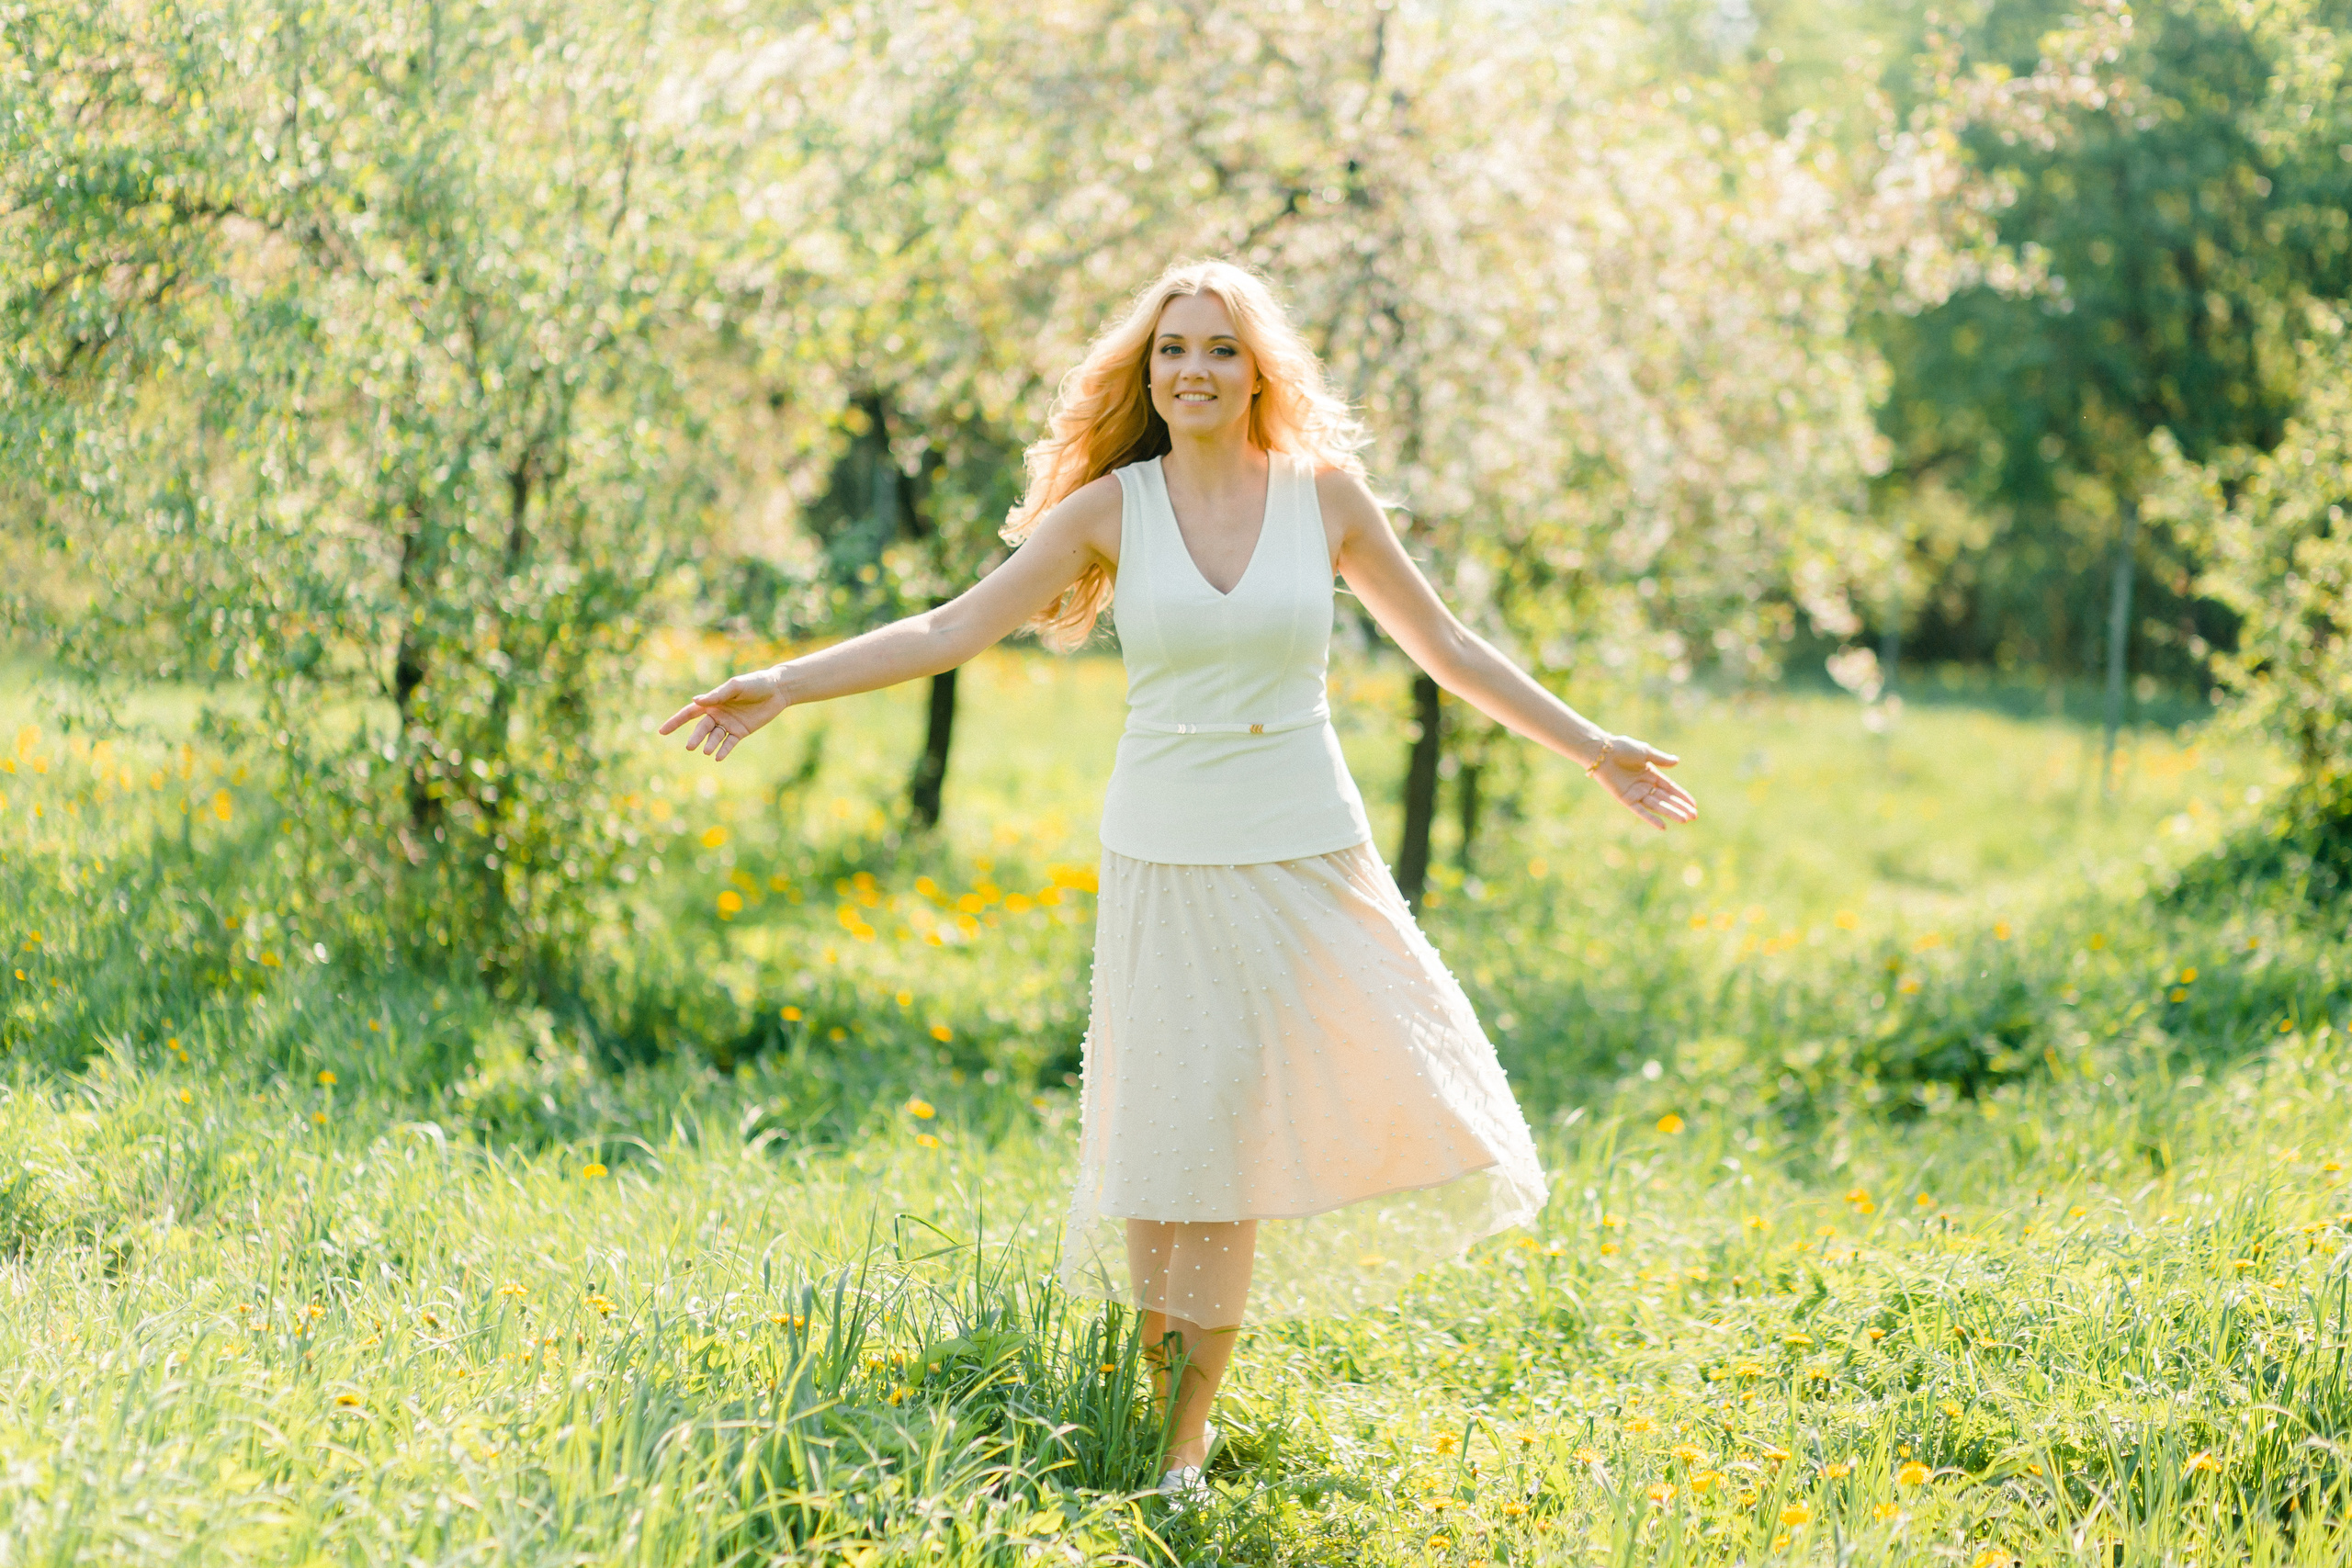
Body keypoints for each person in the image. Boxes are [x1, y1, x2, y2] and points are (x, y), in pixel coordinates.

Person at [660, 259, 1700, 1503]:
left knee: (1240, 1138)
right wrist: (786, 680)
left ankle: (1183, 1441)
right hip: (1163, 845)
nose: (1192, 370)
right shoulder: (1111, 508)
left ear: (1258, 367)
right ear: (1145, 375)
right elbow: (950, 630)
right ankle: (1143, 1415)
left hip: (1302, 845)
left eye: (1217, 348)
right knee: (1169, 1133)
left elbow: (1452, 647)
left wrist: (1592, 746)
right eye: (1170, 351)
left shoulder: (1324, 498)